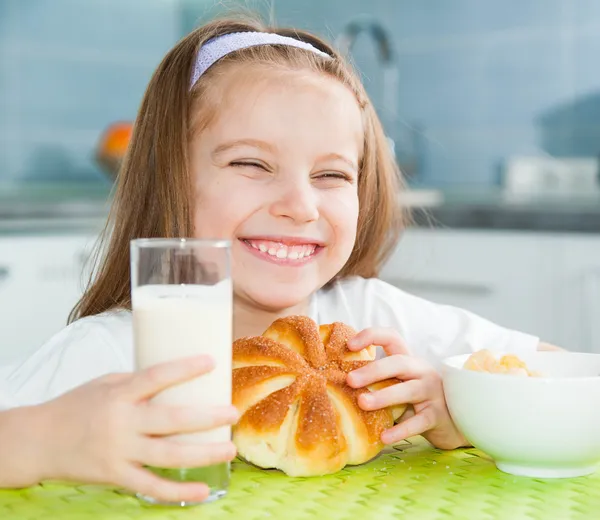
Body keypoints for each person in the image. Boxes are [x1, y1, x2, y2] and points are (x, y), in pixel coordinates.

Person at [0, 15, 561, 502]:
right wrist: (42, 439)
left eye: (332, 174)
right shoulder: (112, 354)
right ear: (171, 177)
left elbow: (568, 379)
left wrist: (463, 405)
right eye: (251, 164)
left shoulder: (375, 324)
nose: (299, 205)